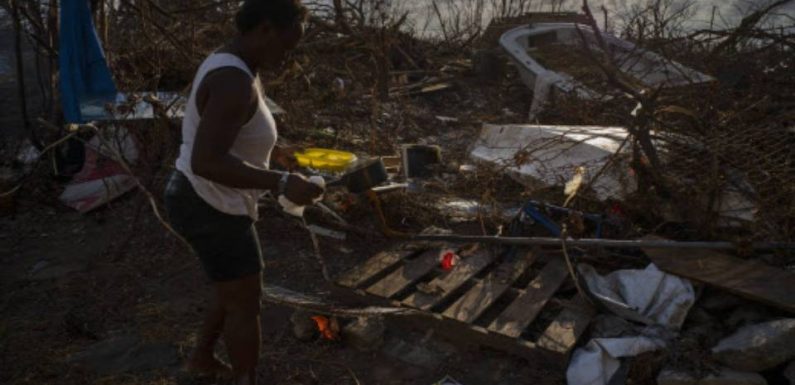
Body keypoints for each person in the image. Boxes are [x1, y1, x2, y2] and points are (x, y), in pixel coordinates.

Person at [163, 1, 323, 384]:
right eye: (286, 45)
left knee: (232, 285)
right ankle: (245, 378)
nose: (287, 56)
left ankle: (200, 359)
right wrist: (281, 183)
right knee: (246, 302)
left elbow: (230, 134)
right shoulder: (233, 80)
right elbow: (207, 161)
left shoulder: (234, 61)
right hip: (207, 201)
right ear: (265, 28)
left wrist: (275, 154)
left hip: (204, 195)